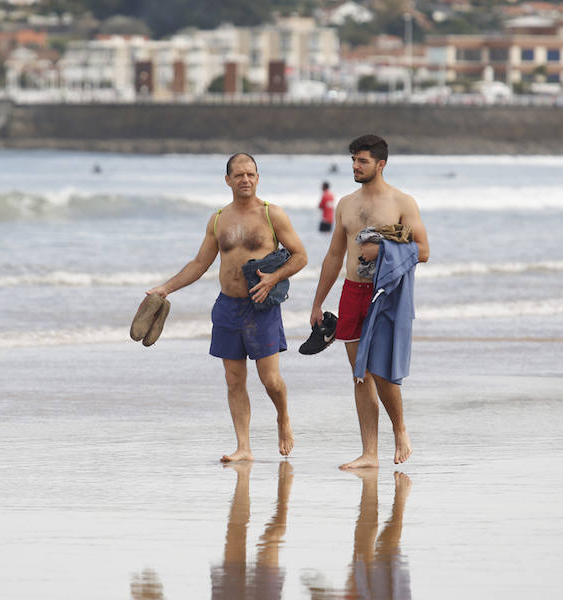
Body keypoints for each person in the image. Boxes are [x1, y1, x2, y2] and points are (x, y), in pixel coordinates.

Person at [148, 153, 307, 462]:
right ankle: (243, 446)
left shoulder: (272, 215)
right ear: (228, 180)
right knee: (234, 380)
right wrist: (165, 288)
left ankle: (283, 417)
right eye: (238, 175)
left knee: (270, 380)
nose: (245, 179)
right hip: (227, 307)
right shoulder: (219, 219)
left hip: (261, 307)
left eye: (250, 174)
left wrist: (273, 278)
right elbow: (199, 264)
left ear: (258, 178)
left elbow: (300, 256)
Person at [309, 135, 429, 469]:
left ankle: (400, 430)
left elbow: (423, 251)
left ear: (381, 164)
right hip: (352, 291)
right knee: (359, 374)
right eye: (353, 160)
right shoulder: (346, 203)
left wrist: (384, 250)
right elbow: (334, 255)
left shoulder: (402, 202)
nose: (355, 166)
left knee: (382, 371)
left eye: (362, 161)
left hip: (385, 294)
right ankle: (370, 453)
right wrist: (318, 302)